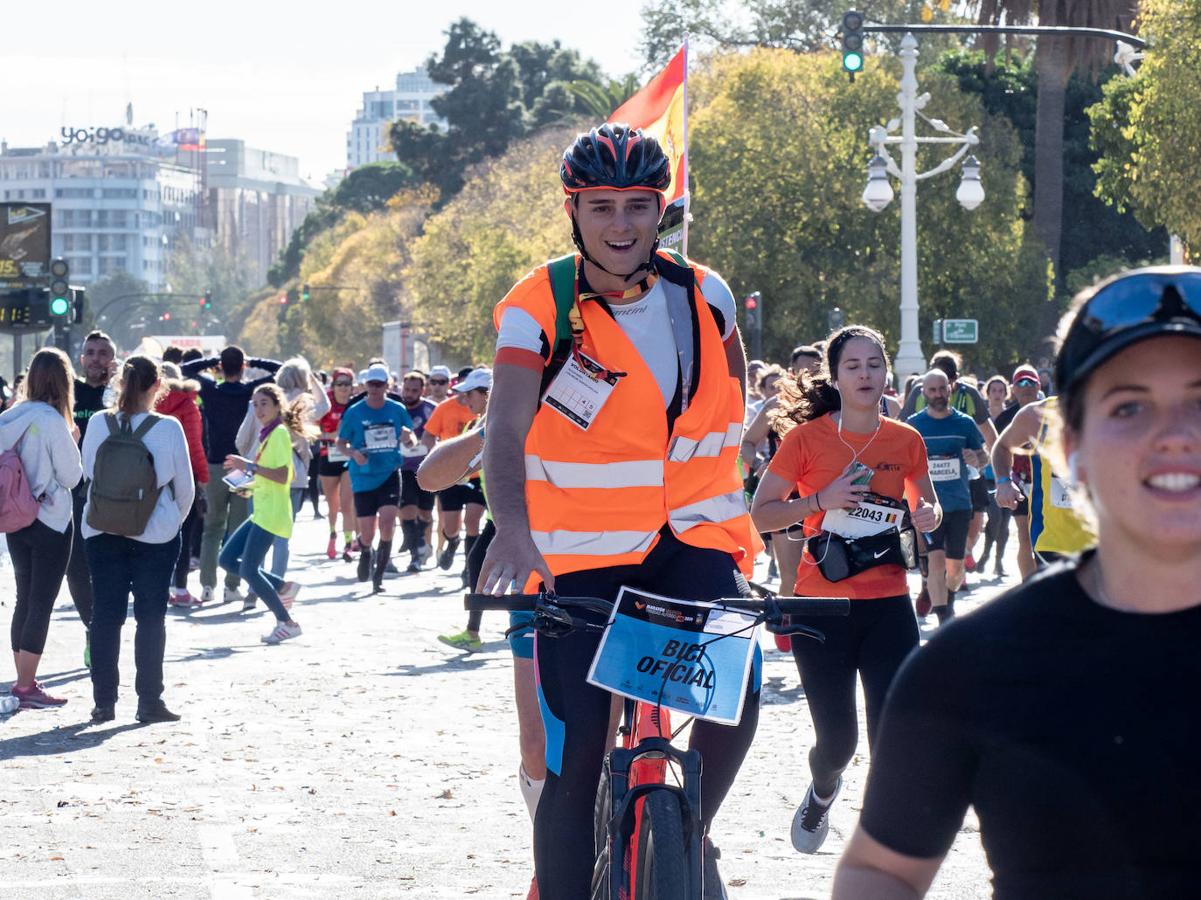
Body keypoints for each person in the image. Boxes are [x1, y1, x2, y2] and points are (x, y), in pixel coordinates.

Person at [833, 266, 1201, 899]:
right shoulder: (973, 665)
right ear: (1071, 447)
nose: (1175, 436)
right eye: (1130, 406)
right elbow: (881, 869)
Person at [479, 122, 761, 897]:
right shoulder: (536, 305)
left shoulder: (706, 295)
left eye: (638, 205)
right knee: (573, 770)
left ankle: (688, 831)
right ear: (573, 211)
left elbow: (732, 409)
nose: (620, 224)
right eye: (600, 206)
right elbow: (502, 430)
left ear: (660, 208)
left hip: (692, 539)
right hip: (581, 558)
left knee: (743, 684)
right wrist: (511, 528)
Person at [750, 326, 939, 854]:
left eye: (874, 364)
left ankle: (879, 845)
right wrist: (820, 500)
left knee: (892, 738)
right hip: (823, 608)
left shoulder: (907, 439)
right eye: (853, 365)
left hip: (889, 605)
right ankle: (823, 791)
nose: (865, 374)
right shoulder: (806, 440)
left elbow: (927, 507)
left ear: (888, 373)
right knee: (839, 742)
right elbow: (761, 512)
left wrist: (928, 514)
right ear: (836, 376)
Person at [83, 356, 195, 723]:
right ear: (157, 385)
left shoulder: (99, 423)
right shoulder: (168, 427)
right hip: (155, 536)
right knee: (150, 618)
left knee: (105, 617)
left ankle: (103, 703)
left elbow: (88, 474)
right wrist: (165, 522)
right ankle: (149, 701)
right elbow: (186, 491)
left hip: (102, 531)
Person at [1, 348, 84, 709]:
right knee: (41, 602)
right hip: (49, 520)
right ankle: (24, 686)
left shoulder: (10, 416)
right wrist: (75, 441)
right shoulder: (52, 420)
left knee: (23, 597)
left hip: (14, 518)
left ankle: (23, 677)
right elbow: (71, 476)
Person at [182, 346, 281, 605]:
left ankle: (206, 585)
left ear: (221, 367)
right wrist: (254, 359)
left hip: (215, 463)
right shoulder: (251, 392)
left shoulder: (211, 390)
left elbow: (186, 369)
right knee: (236, 527)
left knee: (212, 527)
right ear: (243, 366)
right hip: (244, 465)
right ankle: (231, 586)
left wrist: (213, 361)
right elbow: (280, 369)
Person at [219, 384, 312, 643]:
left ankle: (287, 622)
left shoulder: (279, 433)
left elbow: (283, 475)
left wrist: (248, 465)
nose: (259, 409)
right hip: (261, 509)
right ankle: (282, 586)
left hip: (272, 513)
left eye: (264, 404)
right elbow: (269, 473)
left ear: (277, 406)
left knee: (249, 570)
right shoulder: (267, 434)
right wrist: (247, 486)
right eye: (255, 404)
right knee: (226, 559)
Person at [235, 357, 329, 604]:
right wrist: (314, 382)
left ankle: (255, 588)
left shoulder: (258, 403)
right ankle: (277, 585)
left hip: (259, 476)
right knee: (281, 538)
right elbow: (326, 405)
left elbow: (241, 440)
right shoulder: (302, 403)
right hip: (293, 477)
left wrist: (250, 457)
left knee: (257, 532)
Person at [907, 369, 987, 622]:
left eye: (942, 389)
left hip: (960, 503)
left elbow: (983, 456)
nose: (938, 394)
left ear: (950, 389)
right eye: (932, 390)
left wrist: (977, 459)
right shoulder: (914, 424)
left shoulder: (964, 423)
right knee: (936, 560)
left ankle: (947, 599)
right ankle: (943, 617)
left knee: (955, 567)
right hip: (928, 505)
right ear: (923, 393)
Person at [336, 363, 414, 594]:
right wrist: (353, 453)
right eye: (371, 384)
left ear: (387, 386)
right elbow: (341, 443)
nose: (375, 388)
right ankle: (366, 551)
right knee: (368, 531)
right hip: (362, 476)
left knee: (388, 523)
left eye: (379, 384)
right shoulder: (355, 411)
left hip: (389, 472)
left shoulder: (397, 409)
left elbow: (411, 440)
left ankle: (378, 577)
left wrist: (409, 438)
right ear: (365, 385)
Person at [66, 331, 118, 667]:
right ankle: (93, 628)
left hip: (115, 495)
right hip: (74, 494)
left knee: (109, 569)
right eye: (90, 352)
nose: (96, 358)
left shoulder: (120, 396)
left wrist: (118, 384)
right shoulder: (71, 393)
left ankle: (105, 629)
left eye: (103, 353)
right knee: (75, 570)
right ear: (81, 358)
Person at [155, 362, 209, 609]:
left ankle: (160, 586)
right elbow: (194, 444)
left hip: (153, 474)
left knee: (157, 530)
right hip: (184, 474)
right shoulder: (188, 404)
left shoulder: (149, 402)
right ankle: (181, 588)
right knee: (185, 534)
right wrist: (203, 477)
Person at [991, 365, 1052, 580]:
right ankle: (1029, 586)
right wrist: (1003, 481)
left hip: (1046, 485)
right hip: (1020, 483)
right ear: (1013, 388)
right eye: (1021, 383)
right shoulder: (1008, 417)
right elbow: (997, 447)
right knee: (1024, 536)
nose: (1026, 387)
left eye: (1031, 382)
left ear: (1039, 385)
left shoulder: (1048, 412)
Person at [422, 379, 484, 574]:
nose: (463, 397)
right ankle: (452, 541)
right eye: (461, 392)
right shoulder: (445, 408)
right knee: (450, 526)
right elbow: (428, 436)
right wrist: (439, 461)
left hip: (476, 479)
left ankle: (468, 568)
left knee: (472, 521)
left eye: (468, 393)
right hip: (452, 477)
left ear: (484, 394)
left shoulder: (489, 415)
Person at [395, 371, 437, 572]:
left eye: (414, 390)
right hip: (403, 468)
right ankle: (415, 555)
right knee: (407, 512)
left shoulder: (431, 410)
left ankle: (422, 541)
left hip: (427, 468)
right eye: (406, 389)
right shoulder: (396, 409)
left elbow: (440, 434)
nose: (409, 393)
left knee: (426, 514)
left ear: (423, 390)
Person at [318, 367, 357, 561]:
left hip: (348, 458)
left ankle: (348, 544)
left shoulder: (355, 405)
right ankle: (333, 535)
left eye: (347, 384)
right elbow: (311, 430)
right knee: (333, 505)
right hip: (328, 457)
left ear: (352, 386)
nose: (343, 388)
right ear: (333, 386)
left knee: (347, 504)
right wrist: (330, 436)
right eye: (339, 384)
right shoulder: (326, 404)